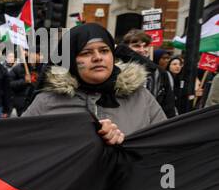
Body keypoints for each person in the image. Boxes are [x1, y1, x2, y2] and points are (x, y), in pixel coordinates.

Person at [23, 23, 166, 142]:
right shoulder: (46, 102)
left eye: (104, 51)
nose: (97, 58)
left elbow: (165, 144)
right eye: (86, 53)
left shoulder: (142, 97)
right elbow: (21, 147)